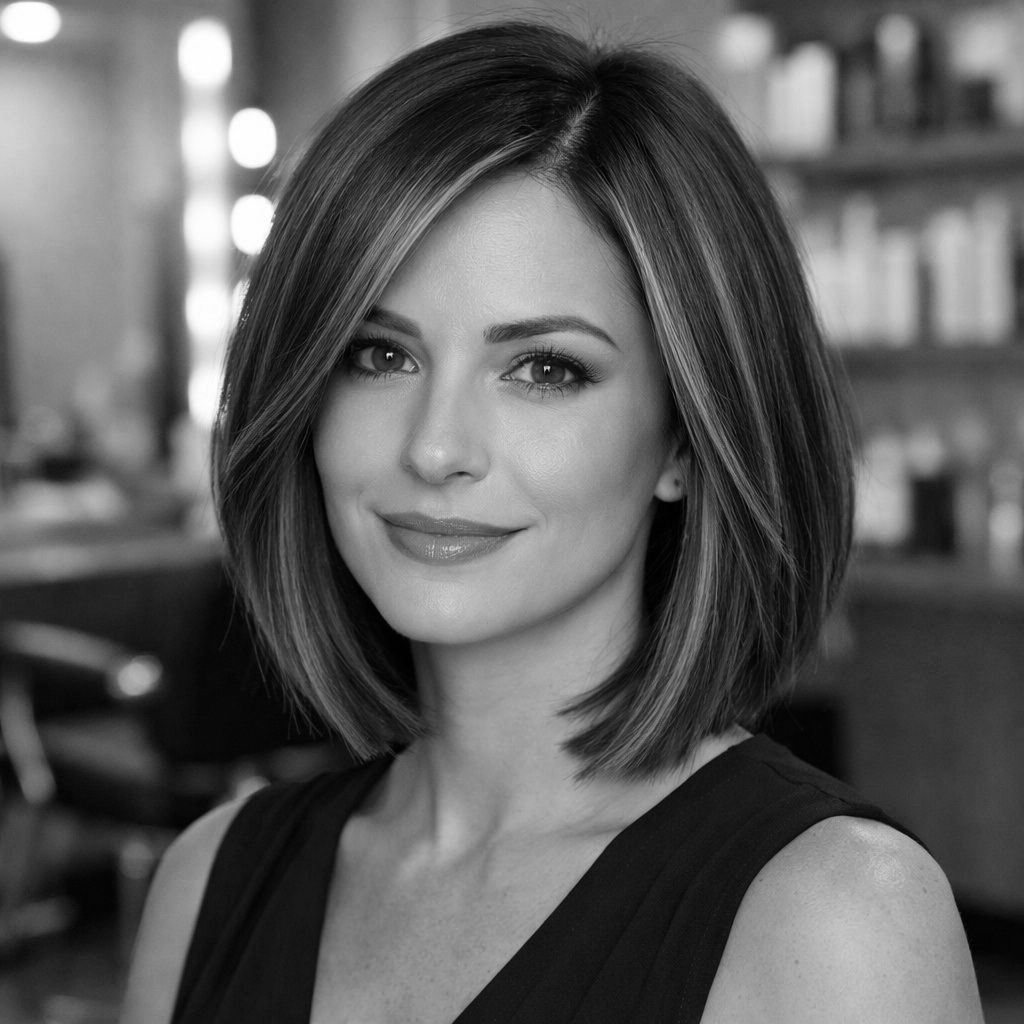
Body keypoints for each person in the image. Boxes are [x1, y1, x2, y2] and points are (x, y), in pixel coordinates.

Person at [121, 20, 983, 1024]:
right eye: (379, 355)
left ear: (683, 438)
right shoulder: (207, 884)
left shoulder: (838, 921)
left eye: (544, 369)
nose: (435, 447)